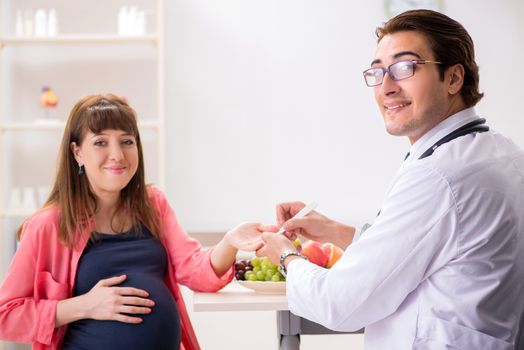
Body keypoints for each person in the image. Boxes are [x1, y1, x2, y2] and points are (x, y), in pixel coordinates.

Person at [257, 9, 524, 350]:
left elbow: (339, 304)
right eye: (378, 71)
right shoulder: (502, 153)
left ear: (454, 78)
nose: (386, 87)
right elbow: (435, 249)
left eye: (405, 67)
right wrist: (337, 232)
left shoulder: (439, 176)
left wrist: (286, 256)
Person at [0, 94, 265, 350]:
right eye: (101, 142)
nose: (117, 154)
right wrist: (85, 305)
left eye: (127, 142)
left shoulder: (152, 204)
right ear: (77, 152)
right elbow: (6, 316)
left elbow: (194, 270)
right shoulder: (48, 224)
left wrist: (230, 241)